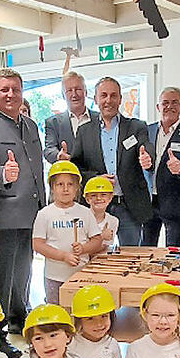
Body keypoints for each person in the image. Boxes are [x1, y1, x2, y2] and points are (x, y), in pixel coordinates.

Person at [0, 67, 44, 357]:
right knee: (0, 277)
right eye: (4, 90)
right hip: (2, 218)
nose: (11, 95)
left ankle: (18, 318)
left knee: (23, 272)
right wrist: (4, 172)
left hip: (30, 214)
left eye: (15, 89)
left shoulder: (29, 125)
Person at [65, 77, 154, 246]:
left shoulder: (136, 127)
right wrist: (96, 179)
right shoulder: (84, 131)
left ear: (120, 99)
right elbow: (76, 168)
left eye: (113, 96)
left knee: (130, 257)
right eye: (104, 95)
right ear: (96, 99)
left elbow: (146, 147)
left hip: (129, 206)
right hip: (96, 206)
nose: (108, 100)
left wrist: (147, 158)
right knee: (96, 255)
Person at [32, 161, 103, 304]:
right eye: (60, 184)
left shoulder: (85, 213)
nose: (65, 189)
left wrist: (84, 248)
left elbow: (97, 240)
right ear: (52, 187)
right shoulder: (44, 214)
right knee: (57, 312)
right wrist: (63, 256)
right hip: (54, 277)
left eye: (70, 184)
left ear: (77, 188)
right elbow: (38, 244)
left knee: (82, 312)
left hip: (82, 276)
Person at [142, 87, 180, 247]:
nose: (170, 106)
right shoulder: (146, 131)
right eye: (165, 103)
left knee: (175, 253)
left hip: (176, 203)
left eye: (175, 102)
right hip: (148, 202)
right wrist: (143, 163)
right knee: (145, 251)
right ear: (158, 107)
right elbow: (140, 158)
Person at [43, 71, 98, 165]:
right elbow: (49, 150)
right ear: (63, 95)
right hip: (68, 176)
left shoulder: (100, 119)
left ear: (86, 92)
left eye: (78, 89)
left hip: (95, 177)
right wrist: (58, 155)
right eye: (69, 90)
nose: (74, 94)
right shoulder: (53, 123)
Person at [83, 177, 118, 250]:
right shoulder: (80, 219)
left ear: (110, 198)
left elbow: (104, 247)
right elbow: (80, 248)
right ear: (87, 199)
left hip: (101, 258)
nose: (98, 198)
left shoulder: (113, 221)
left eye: (103, 194)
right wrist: (101, 236)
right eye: (93, 195)